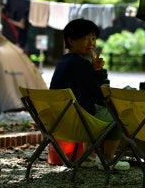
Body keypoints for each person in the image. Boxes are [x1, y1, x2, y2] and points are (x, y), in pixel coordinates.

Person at [50, 18, 128, 170]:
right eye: (85, 38)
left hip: (59, 122)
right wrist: (100, 73)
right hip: (80, 123)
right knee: (120, 114)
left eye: (93, 38)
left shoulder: (63, 62)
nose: (91, 43)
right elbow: (100, 97)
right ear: (71, 40)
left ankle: (89, 157)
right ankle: (108, 159)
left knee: (93, 110)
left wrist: (95, 70)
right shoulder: (81, 64)